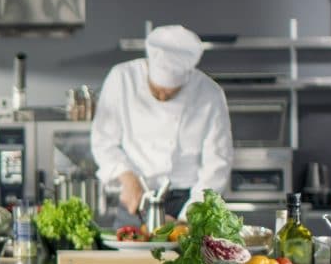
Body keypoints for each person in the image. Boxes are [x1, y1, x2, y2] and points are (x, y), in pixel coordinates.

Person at [91, 25, 232, 223]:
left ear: (187, 77)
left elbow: (217, 164)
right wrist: (125, 176)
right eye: (156, 91)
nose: (163, 96)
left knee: (185, 253)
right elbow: (103, 142)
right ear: (149, 68)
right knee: (129, 253)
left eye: (172, 92)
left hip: (189, 199)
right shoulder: (122, 78)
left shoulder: (210, 94)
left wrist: (186, 220)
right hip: (136, 195)